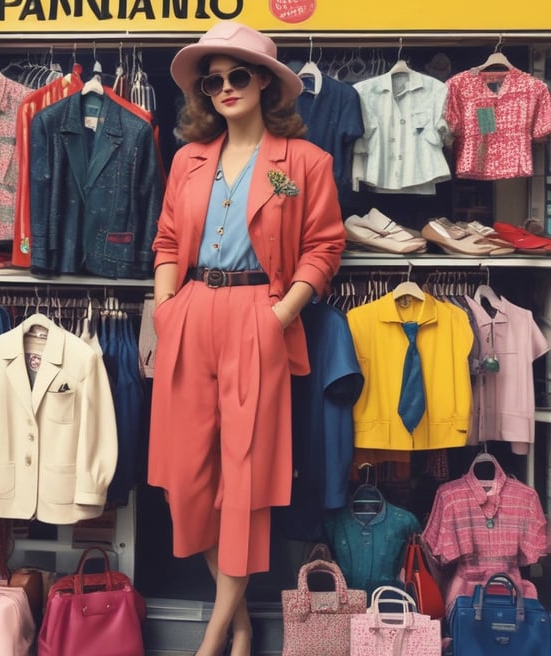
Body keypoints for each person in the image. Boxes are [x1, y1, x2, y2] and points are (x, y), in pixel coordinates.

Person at [147, 21, 345, 656]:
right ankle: (238, 621)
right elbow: (169, 241)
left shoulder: (305, 162)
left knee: (246, 475)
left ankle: (213, 632)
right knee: (188, 475)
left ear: (264, 81)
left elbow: (325, 247)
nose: (225, 88)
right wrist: (165, 305)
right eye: (214, 80)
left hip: (258, 314)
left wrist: (279, 316)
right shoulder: (188, 159)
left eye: (237, 75)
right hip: (192, 312)